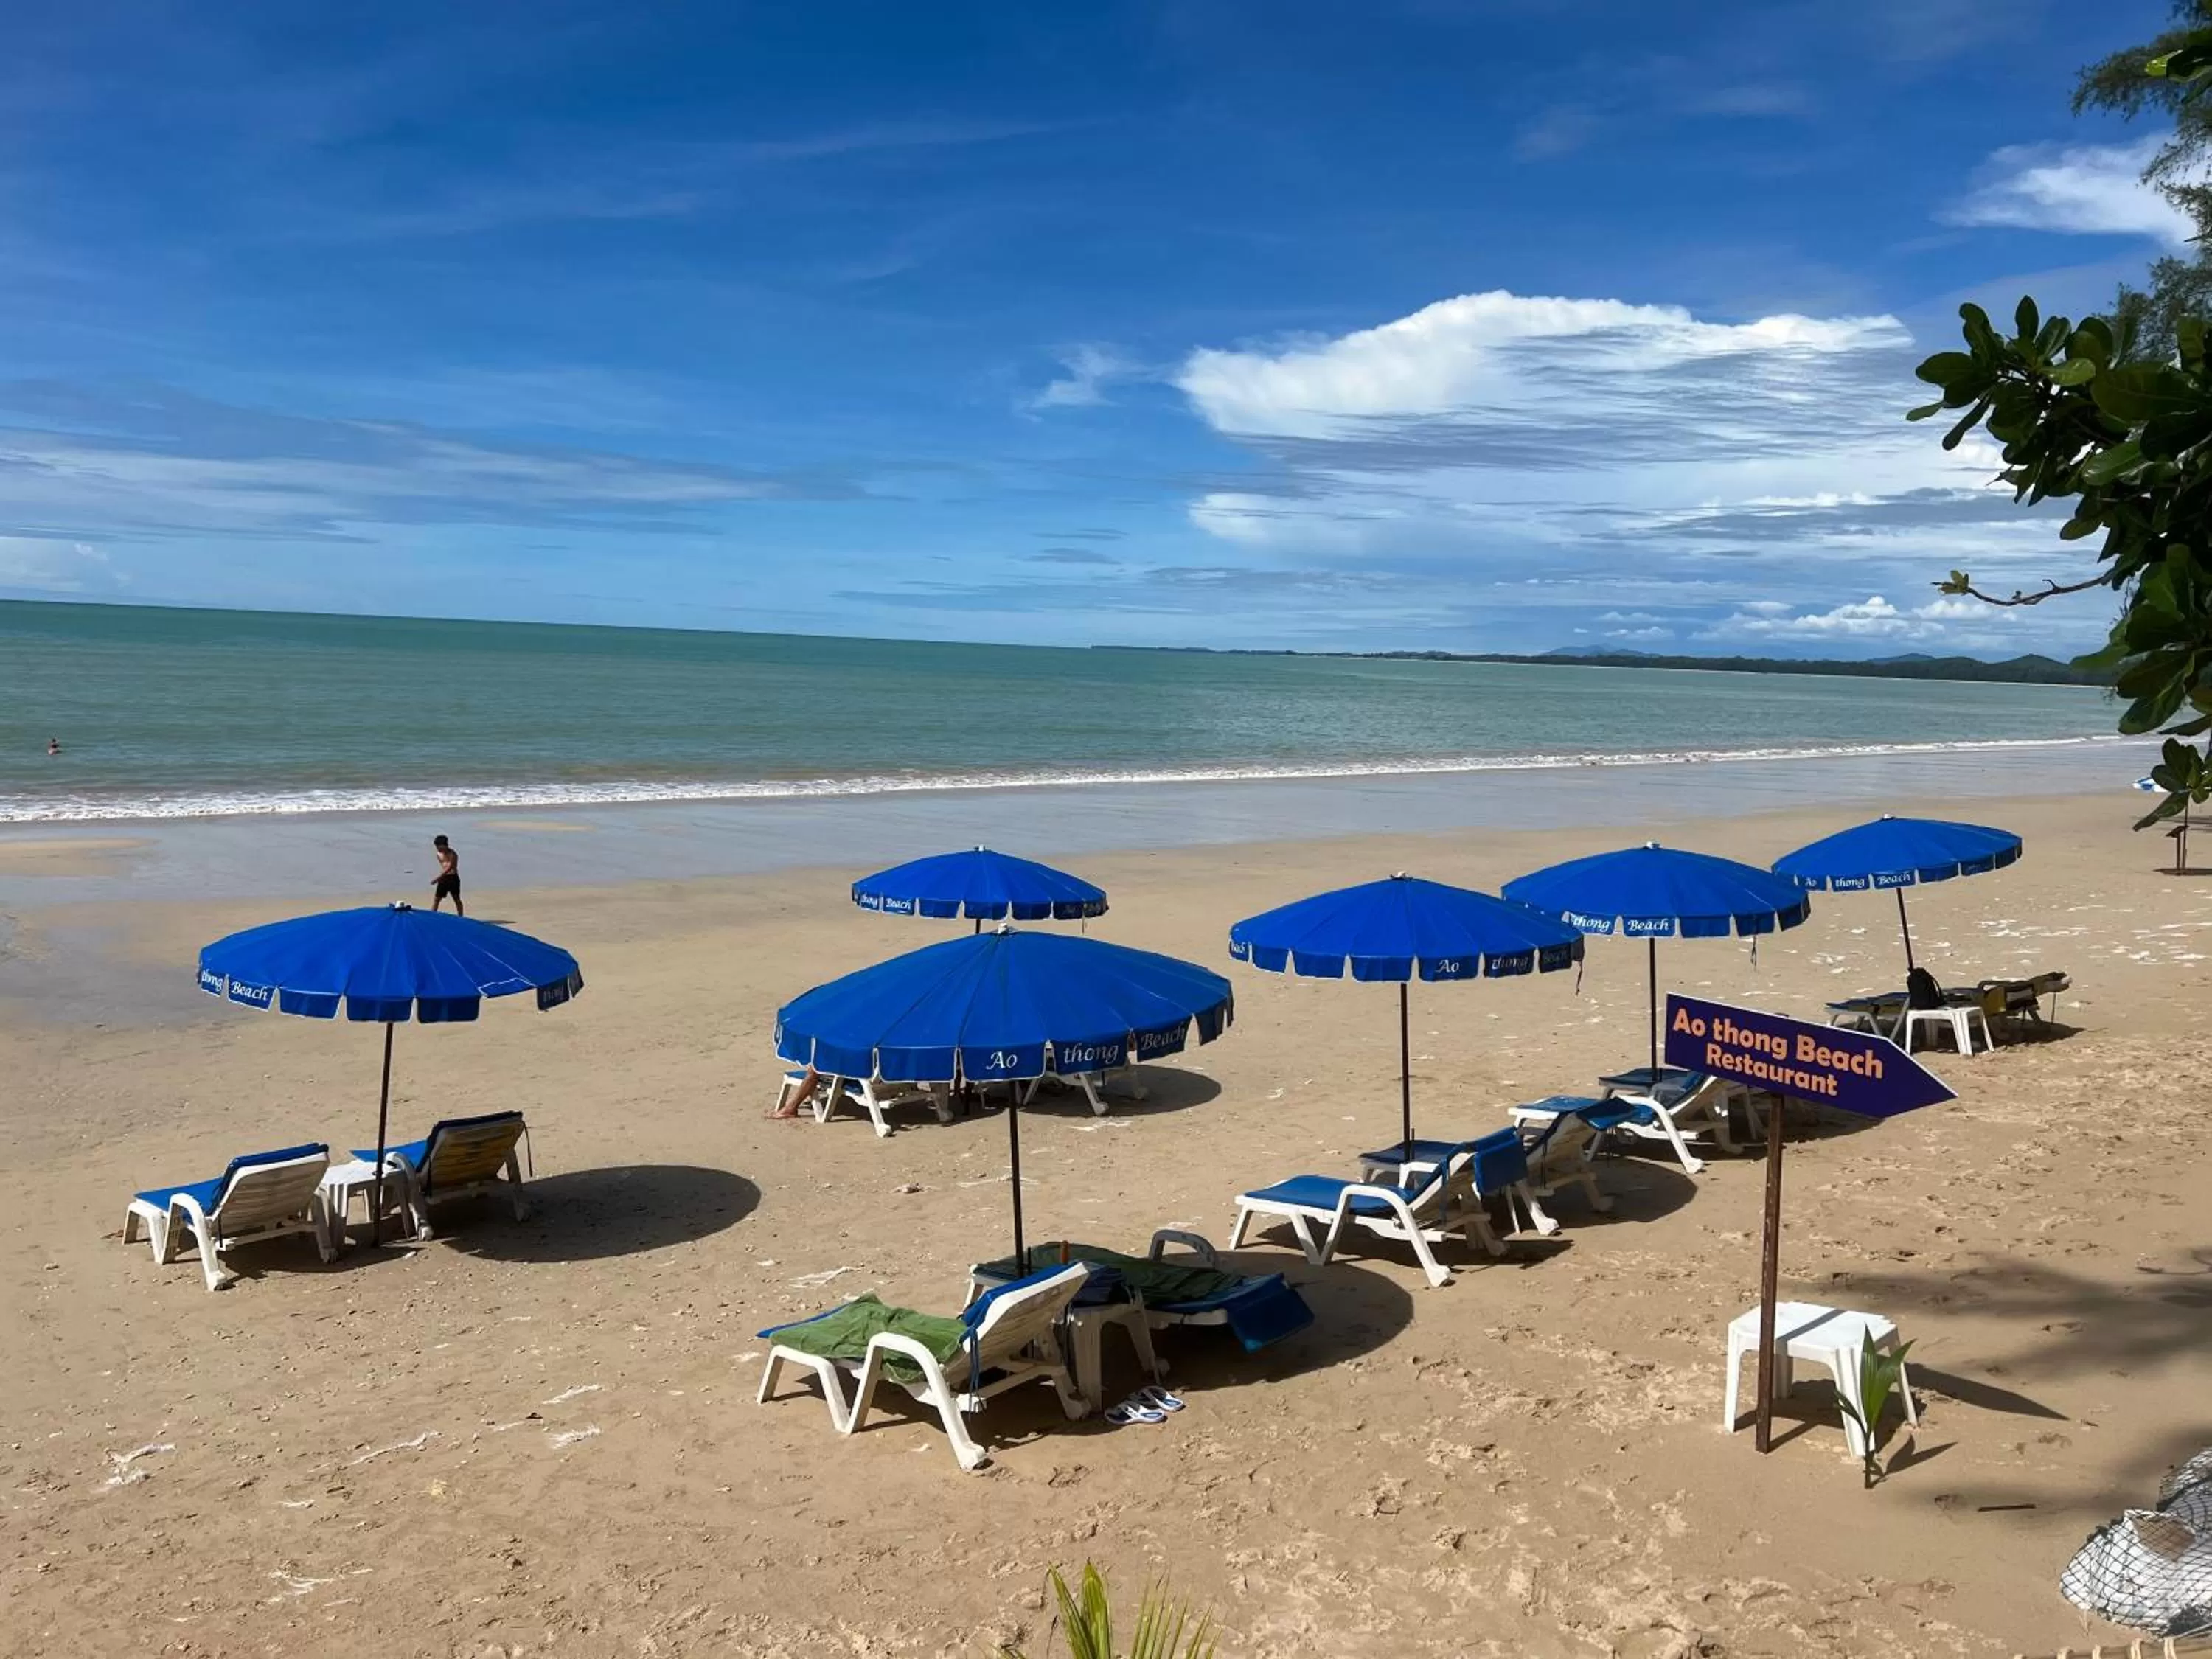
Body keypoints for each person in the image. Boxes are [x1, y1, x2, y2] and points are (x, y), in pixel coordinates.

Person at [431, 834, 463, 915]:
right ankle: (432, 915)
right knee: (437, 899)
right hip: (443, 879)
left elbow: (449, 868)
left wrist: (437, 878)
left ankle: (461, 917)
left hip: (453, 878)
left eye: (440, 847)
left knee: (456, 899)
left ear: (445, 845)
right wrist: (440, 878)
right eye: (437, 847)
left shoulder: (453, 854)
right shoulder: (438, 854)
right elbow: (443, 866)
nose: (438, 849)